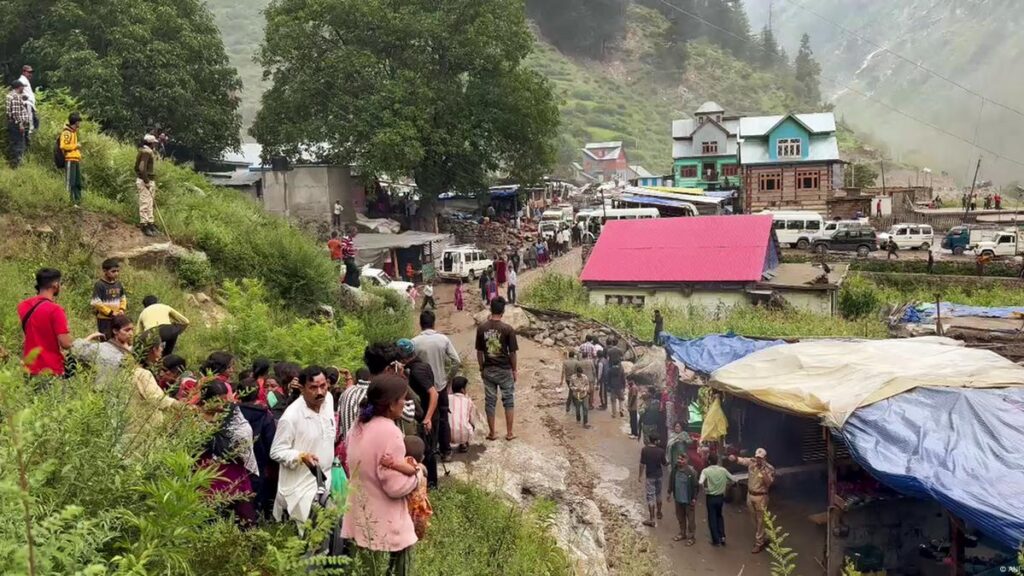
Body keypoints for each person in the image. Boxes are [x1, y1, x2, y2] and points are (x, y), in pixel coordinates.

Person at [341, 373, 420, 572]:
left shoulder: (358, 426)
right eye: (403, 399)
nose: (405, 403)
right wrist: (418, 476)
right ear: (391, 404)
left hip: (360, 517)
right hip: (386, 525)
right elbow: (394, 487)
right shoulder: (390, 431)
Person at [269, 365, 336, 529]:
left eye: (323, 386)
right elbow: (276, 451)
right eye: (313, 387)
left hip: (324, 477)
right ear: (302, 388)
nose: (319, 392)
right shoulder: (291, 417)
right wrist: (300, 456)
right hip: (300, 485)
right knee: (307, 532)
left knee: (328, 528)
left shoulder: (328, 400)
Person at [199, 379, 259, 526]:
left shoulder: (232, 412)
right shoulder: (195, 417)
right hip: (206, 471)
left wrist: (229, 441)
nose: (221, 405)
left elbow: (244, 431)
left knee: (243, 512)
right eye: (217, 401)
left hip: (232, 467)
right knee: (208, 513)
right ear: (206, 400)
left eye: (224, 400)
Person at [412, 310, 461, 460]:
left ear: (421, 324)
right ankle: (446, 451)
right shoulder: (443, 339)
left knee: (425, 418)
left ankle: (429, 452)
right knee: (443, 417)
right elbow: (456, 361)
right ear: (434, 323)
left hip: (422, 389)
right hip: (440, 385)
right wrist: (448, 378)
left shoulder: (414, 342)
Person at [397, 338, 440, 488]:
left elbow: (434, 393)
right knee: (428, 450)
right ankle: (430, 484)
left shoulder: (416, 371)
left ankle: (432, 485)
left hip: (426, 416)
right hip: (430, 414)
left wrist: (427, 418)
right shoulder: (422, 364)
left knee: (427, 452)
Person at [18, 268, 74, 379]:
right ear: (55, 285)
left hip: (28, 367)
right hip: (50, 369)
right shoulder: (55, 310)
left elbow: (26, 334)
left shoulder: (23, 306)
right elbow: (65, 344)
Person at [476, 297, 518, 441]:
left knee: (490, 401)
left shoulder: (482, 328)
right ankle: (510, 433)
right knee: (508, 400)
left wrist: (481, 368)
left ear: (490, 309)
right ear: (503, 311)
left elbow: (479, 352)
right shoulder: (508, 329)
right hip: (505, 369)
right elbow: (512, 353)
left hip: (488, 369)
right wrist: (514, 370)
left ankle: (492, 433)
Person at [236, 376, 278, 520]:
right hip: (260, 465)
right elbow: (271, 443)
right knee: (257, 504)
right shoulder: (265, 415)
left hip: (237, 465)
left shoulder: (232, 413)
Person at [380, 435, 434, 539]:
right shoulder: (421, 469)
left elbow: (410, 469)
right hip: (420, 510)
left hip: (410, 511)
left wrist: (391, 463)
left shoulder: (411, 467)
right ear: (422, 458)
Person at [730, 448, 776, 553]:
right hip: (750, 495)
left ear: (765, 458)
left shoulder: (769, 468)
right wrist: (734, 458)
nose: (758, 460)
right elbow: (742, 460)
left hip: (761, 496)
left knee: (760, 520)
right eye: (757, 457)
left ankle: (759, 543)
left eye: (760, 458)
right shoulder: (752, 463)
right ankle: (763, 536)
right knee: (754, 519)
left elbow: (769, 483)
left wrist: (763, 473)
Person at [70, 314, 135, 385]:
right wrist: (90, 337)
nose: (131, 333)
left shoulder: (134, 350)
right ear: (115, 331)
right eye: (127, 330)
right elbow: (76, 349)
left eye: (132, 330)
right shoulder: (100, 348)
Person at [700, 453, 736, 547]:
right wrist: (726, 483)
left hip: (710, 497)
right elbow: (734, 479)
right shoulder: (723, 470)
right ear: (717, 461)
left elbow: (700, 482)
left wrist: (706, 489)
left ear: (708, 461)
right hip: (720, 497)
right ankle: (722, 537)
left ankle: (716, 540)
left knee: (712, 518)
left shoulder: (705, 471)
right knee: (719, 516)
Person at [91, 258, 127, 338]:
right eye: (113, 271)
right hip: (104, 319)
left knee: (117, 338)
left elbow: (123, 298)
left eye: (118, 271)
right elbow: (96, 302)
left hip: (117, 317)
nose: (116, 273)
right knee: (105, 338)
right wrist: (110, 312)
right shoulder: (99, 284)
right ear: (105, 271)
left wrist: (121, 309)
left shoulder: (118, 284)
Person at [668, 452, 698, 546]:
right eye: (678, 459)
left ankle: (691, 537)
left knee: (691, 519)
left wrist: (694, 498)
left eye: (682, 459)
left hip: (688, 500)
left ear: (686, 460)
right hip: (678, 499)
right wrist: (669, 492)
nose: (679, 461)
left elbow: (696, 486)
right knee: (680, 517)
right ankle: (682, 533)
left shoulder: (691, 472)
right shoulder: (675, 470)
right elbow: (671, 481)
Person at [638, 435, 666, 527]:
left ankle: (652, 519)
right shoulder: (661, 451)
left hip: (650, 475)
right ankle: (659, 512)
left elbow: (642, 464)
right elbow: (664, 463)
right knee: (658, 494)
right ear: (656, 441)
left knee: (650, 497)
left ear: (649, 440)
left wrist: (640, 476)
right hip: (659, 475)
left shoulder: (645, 450)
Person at [338, 366, 371, 442]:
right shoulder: (371, 393)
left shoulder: (346, 393)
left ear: (356, 379)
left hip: (346, 444)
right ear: (371, 377)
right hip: (363, 444)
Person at [135, 134, 159, 236]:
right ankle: (144, 225)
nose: (155, 145)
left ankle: (150, 223)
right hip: (145, 181)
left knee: (150, 203)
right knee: (145, 202)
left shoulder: (146, 151)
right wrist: (146, 181)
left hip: (149, 180)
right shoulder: (146, 152)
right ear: (151, 143)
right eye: (154, 143)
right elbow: (141, 168)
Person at [447, 376, 477, 452]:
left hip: (446, 435)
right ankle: (463, 444)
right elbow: (472, 420)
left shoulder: (447, 398)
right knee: (470, 423)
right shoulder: (468, 401)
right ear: (462, 390)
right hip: (463, 434)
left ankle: (446, 446)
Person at [61, 112, 84, 206]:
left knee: (77, 182)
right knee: (70, 182)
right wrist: (76, 146)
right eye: (79, 121)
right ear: (75, 122)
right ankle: (68, 201)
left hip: (75, 159)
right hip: (70, 159)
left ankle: (77, 202)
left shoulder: (74, 132)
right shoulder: (67, 132)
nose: (80, 124)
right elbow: (63, 146)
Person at [6, 80, 30, 167]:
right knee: (19, 144)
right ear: (19, 87)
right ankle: (16, 164)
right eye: (22, 86)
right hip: (17, 124)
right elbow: (16, 113)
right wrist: (20, 124)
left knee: (14, 143)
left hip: (12, 123)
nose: (23, 88)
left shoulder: (10, 95)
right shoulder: (16, 97)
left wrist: (23, 98)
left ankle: (13, 163)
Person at [17, 65, 36, 133]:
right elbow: (18, 92)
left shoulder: (26, 80)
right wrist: (25, 98)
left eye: (31, 72)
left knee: (34, 122)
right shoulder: (21, 80)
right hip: (27, 104)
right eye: (29, 72)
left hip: (30, 105)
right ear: (24, 72)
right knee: (31, 124)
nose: (30, 74)